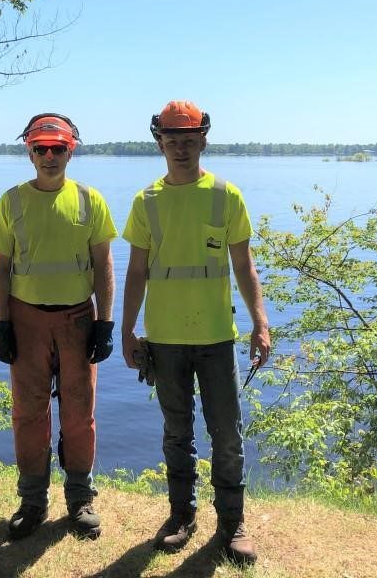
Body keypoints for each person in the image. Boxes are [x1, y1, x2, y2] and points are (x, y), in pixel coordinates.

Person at [120, 100, 271, 566]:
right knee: (176, 431)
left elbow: (244, 266)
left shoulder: (226, 195)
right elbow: (136, 271)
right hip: (164, 338)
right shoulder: (147, 201)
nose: (180, 149)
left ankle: (232, 524)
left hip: (215, 337)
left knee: (227, 433)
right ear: (159, 143)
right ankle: (181, 516)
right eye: (171, 141)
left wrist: (260, 324)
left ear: (203, 140)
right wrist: (127, 332)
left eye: (188, 140)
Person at [0, 113, 116, 540]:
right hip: (26, 319)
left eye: (57, 148)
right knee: (28, 413)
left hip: (78, 318)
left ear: (70, 151)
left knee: (80, 414)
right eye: (40, 148)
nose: (48, 156)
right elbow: (0, 267)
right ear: (29, 150)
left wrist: (106, 322)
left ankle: (80, 499)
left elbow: (104, 265)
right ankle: (32, 501)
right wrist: (0, 323)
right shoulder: (12, 201)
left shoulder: (88, 200)